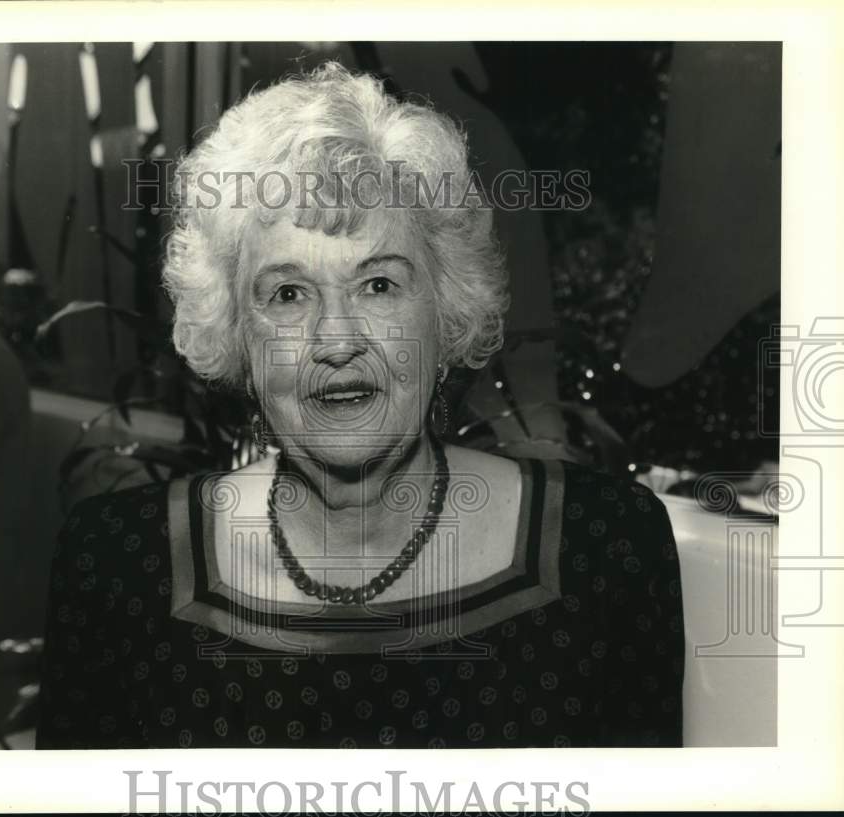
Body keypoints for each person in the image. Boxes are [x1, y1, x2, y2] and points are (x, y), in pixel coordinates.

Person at [36, 62, 685, 749]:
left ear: (448, 311)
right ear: (235, 334)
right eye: (287, 294)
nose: (337, 339)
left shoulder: (603, 551)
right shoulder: (119, 568)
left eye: (378, 284)